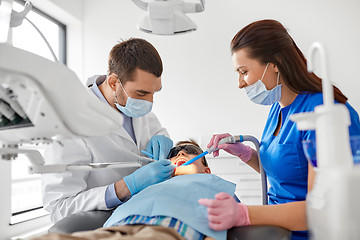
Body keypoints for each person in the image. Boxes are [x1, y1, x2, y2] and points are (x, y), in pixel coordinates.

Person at [199, 19, 360, 240]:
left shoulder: (323, 114)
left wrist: (243, 214)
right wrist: (246, 154)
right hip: (275, 227)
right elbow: (287, 173)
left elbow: (322, 210)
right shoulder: (278, 109)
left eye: (244, 71)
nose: (240, 83)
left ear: (275, 63)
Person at [42, 38, 174, 223]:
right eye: (142, 93)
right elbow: (59, 207)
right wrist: (122, 188)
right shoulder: (69, 122)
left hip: (144, 216)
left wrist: (162, 138)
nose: (150, 102)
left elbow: (156, 132)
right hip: (103, 227)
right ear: (113, 82)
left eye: (155, 92)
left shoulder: (133, 104)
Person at [33, 140, 236, 240]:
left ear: (206, 170)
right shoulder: (148, 184)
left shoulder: (214, 184)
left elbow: (226, 225)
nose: (181, 152)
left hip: (162, 232)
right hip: (112, 229)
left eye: (191, 152)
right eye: (175, 152)